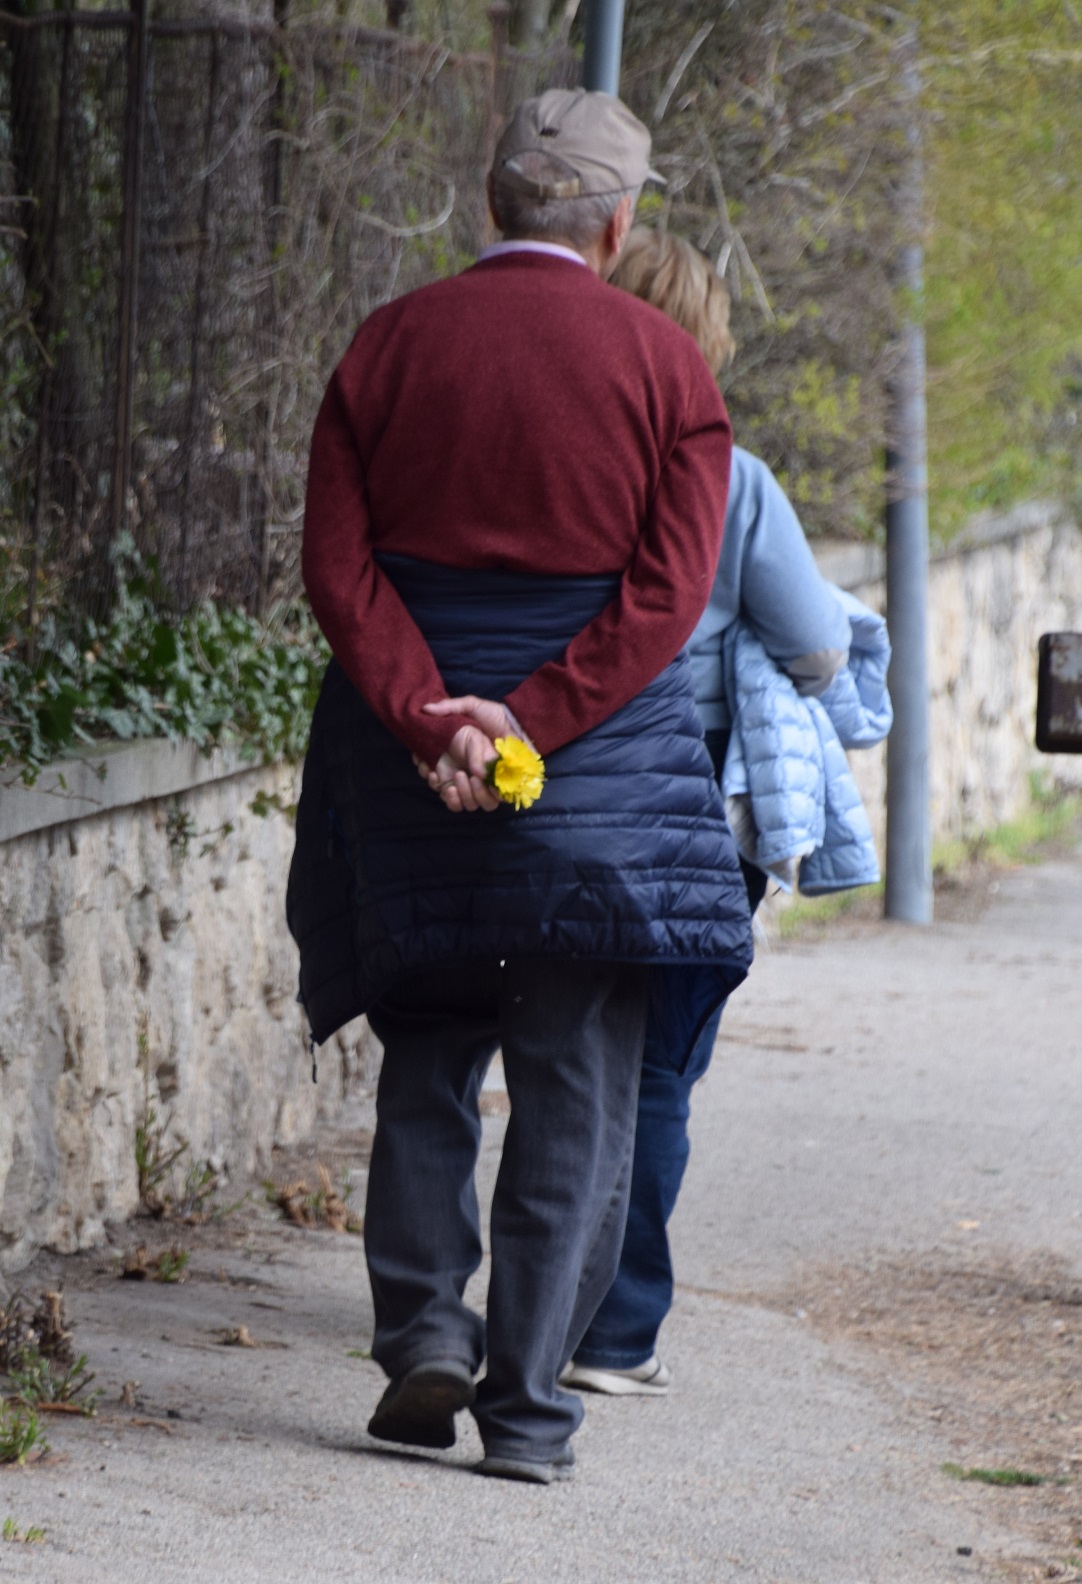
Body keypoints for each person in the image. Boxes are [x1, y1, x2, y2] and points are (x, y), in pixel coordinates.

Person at [287, 95, 753, 1484]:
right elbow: (669, 596)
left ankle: (424, 1331)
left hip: (405, 765)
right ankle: (531, 1412)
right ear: (615, 226)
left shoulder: (389, 343)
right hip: (594, 782)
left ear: (487, 206)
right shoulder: (667, 367)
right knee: (576, 1087)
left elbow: (335, 566)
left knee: (427, 1057)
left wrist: (432, 715)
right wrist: (527, 725)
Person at [564, 227, 890, 1397]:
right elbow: (813, 646)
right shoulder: (731, 480)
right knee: (659, 1067)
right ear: (707, 346)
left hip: (556, 770)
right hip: (691, 789)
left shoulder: (561, 461)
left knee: (563, 1051)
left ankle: (528, 1306)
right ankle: (612, 1331)